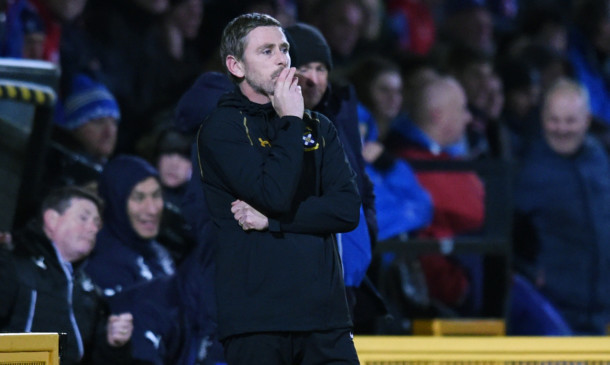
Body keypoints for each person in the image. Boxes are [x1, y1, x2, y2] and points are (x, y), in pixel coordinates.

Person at [197, 13, 361, 364]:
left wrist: (275, 222)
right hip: (259, 322)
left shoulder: (320, 128)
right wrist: (289, 120)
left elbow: (346, 210)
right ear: (236, 65)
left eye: (285, 49)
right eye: (267, 51)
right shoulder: (223, 128)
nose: (283, 59)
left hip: (326, 320)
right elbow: (272, 194)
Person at [283, 22, 382, 330]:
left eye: (321, 68)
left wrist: (369, 225)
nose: (314, 79)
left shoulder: (341, 113)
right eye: (304, 68)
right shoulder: (268, 121)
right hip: (295, 284)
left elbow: (361, 181)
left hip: (346, 278)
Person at [512, 78, 610, 334]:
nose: (561, 129)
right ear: (543, 118)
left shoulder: (599, 158)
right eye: (554, 120)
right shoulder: (526, 169)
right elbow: (509, 237)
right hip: (552, 315)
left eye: (570, 120)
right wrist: (532, 275)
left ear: (587, 120)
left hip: (602, 314)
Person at [0, 186, 133, 365]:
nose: (93, 228)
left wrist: (114, 345)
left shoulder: (90, 292)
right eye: (83, 218)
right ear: (52, 219)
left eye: (97, 223)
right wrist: (51, 353)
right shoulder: (13, 263)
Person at [85, 154, 175, 297]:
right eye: (138, 198)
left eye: (156, 195)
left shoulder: (158, 254)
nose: (152, 209)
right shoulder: (102, 262)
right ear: (116, 202)